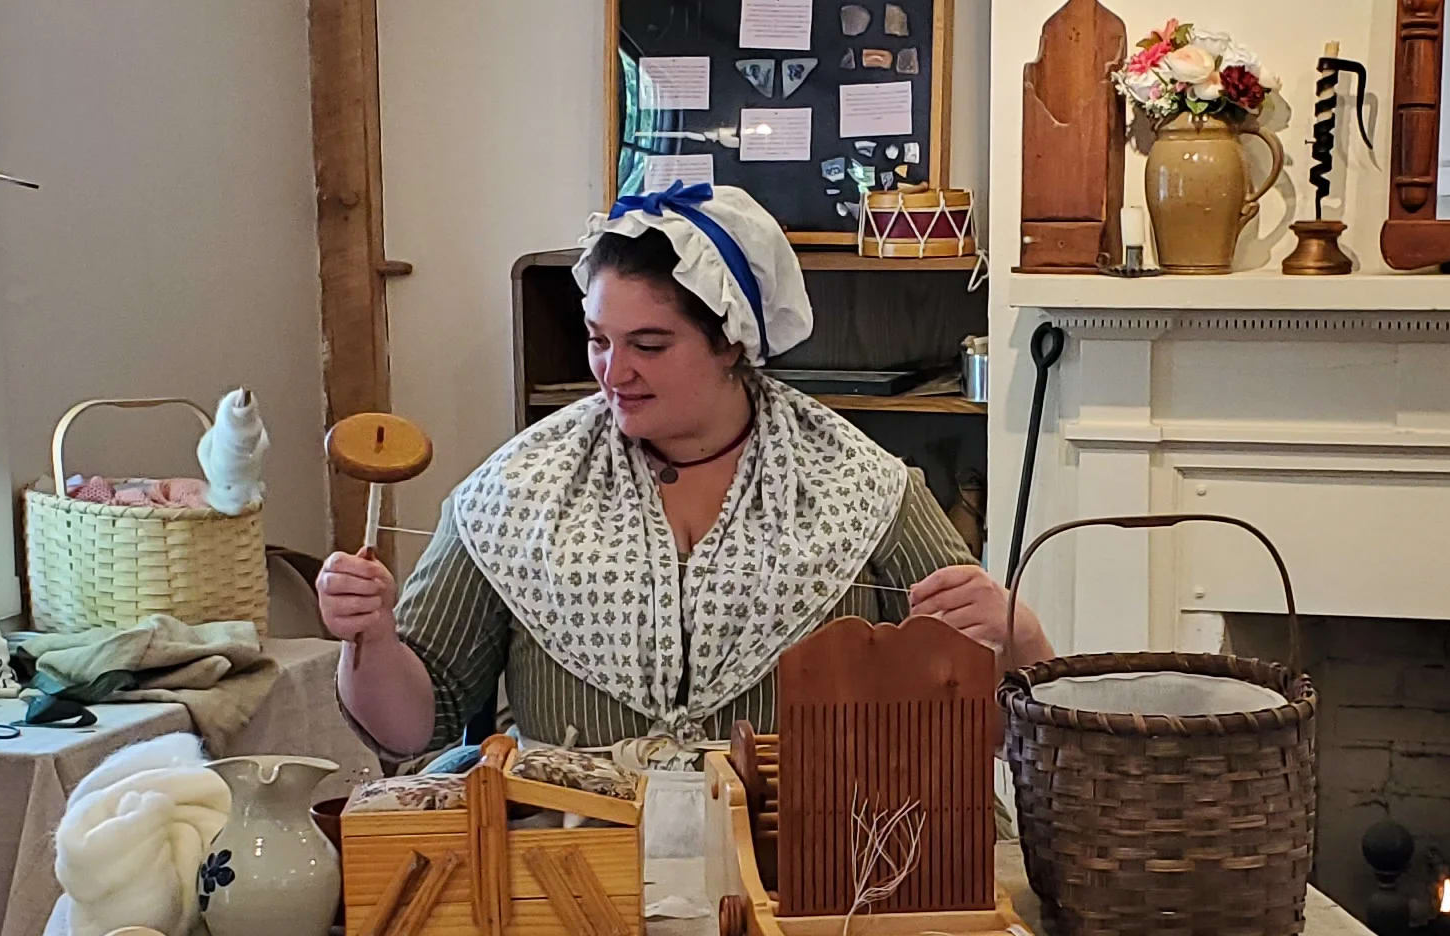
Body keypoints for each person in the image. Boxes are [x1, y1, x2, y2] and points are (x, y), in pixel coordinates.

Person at [318, 184, 1050, 758]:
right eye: (598, 340)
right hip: (574, 864)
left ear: (731, 341)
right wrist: (370, 639)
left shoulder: (860, 487)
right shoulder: (517, 489)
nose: (614, 373)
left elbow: (984, 730)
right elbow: (414, 729)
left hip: (807, 862)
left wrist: (1019, 640)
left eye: (650, 345)